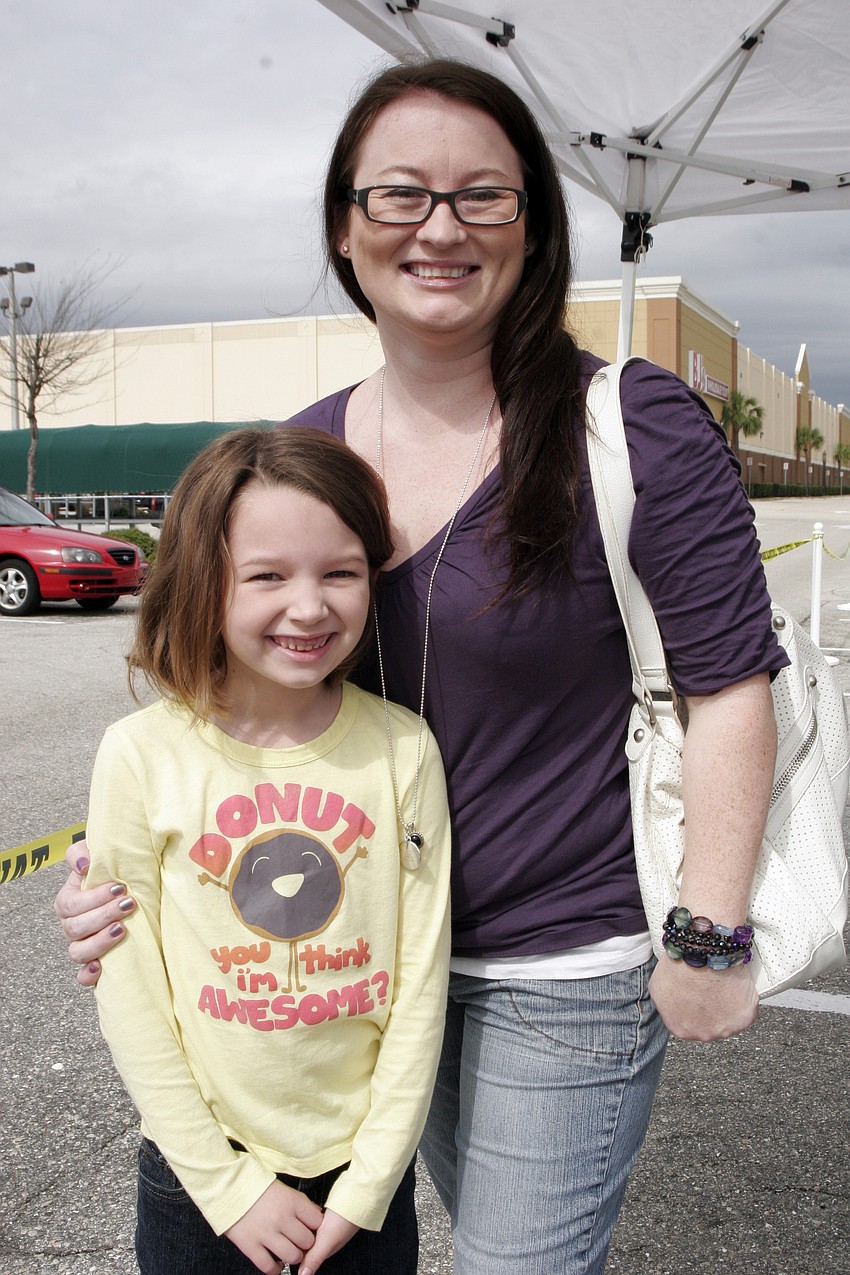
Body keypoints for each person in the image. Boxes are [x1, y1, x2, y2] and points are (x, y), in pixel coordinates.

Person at [56, 59, 787, 1275]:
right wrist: (123, 875)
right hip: (358, 958)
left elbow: (728, 684)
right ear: (347, 227)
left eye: (482, 197)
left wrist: (708, 932)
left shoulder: (632, 425)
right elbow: (232, 705)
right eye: (398, 195)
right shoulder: (311, 450)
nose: (438, 229)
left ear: (533, 227)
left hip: (563, 958)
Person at [79, 425, 451, 1275]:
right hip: (199, 1182)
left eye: (342, 572)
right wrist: (225, 1185)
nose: (310, 605)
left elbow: (420, 983)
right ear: (203, 583)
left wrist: (370, 1183)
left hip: (361, 1189)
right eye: (267, 576)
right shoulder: (139, 753)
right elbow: (131, 995)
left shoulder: (403, 751)